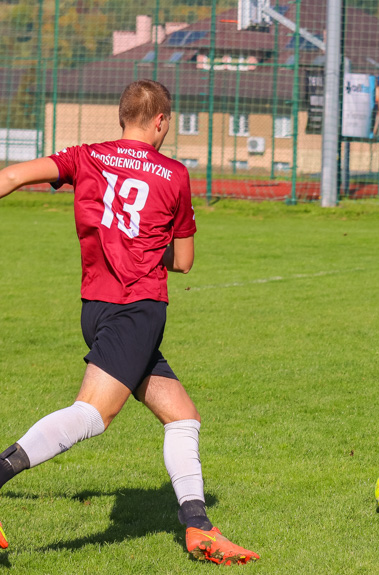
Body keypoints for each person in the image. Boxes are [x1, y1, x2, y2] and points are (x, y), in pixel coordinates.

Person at [0, 80, 259, 566]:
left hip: (95, 307)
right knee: (92, 415)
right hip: (136, 308)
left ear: (123, 117)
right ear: (161, 121)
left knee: (182, 416)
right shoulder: (175, 174)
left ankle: (199, 528)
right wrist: (145, 244)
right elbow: (184, 260)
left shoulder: (87, 156)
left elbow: (12, 175)